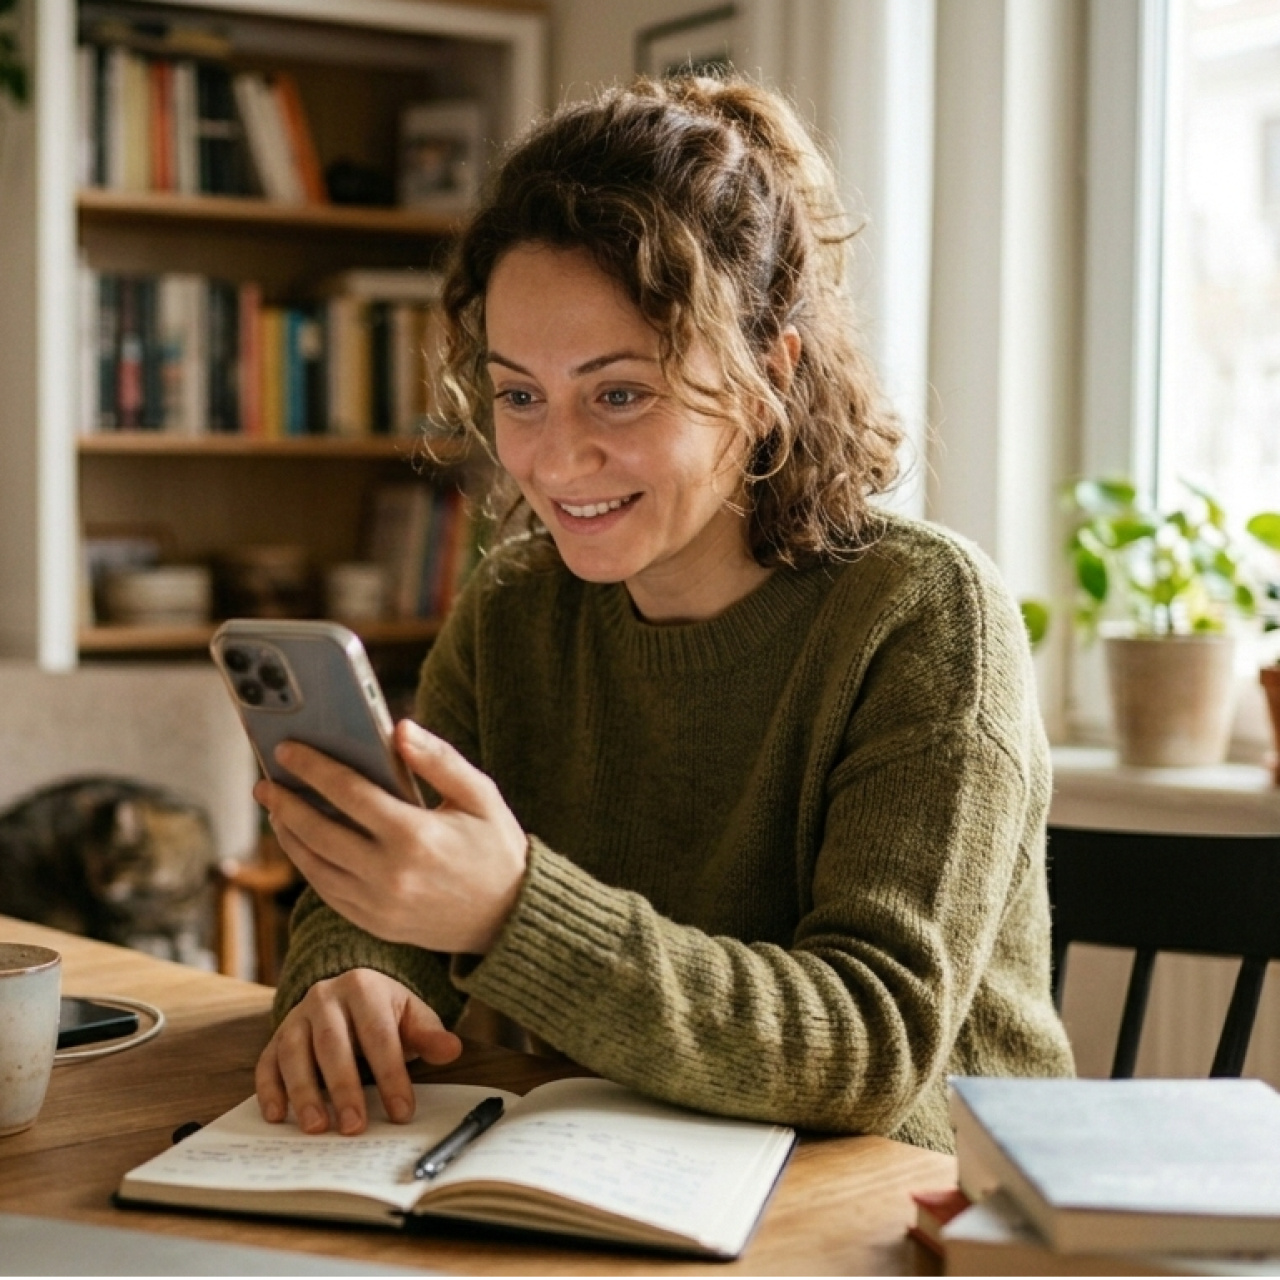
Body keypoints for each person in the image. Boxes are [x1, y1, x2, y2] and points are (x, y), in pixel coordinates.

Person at [253, 74, 1074, 1156]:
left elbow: (868, 1049)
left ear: (766, 372)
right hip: (619, 1170)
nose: (552, 457)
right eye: (517, 394)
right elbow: (398, 876)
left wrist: (509, 910)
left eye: (619, 391)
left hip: (915, 1213)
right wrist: (352, 972)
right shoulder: (511, 610)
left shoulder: (923, 616)